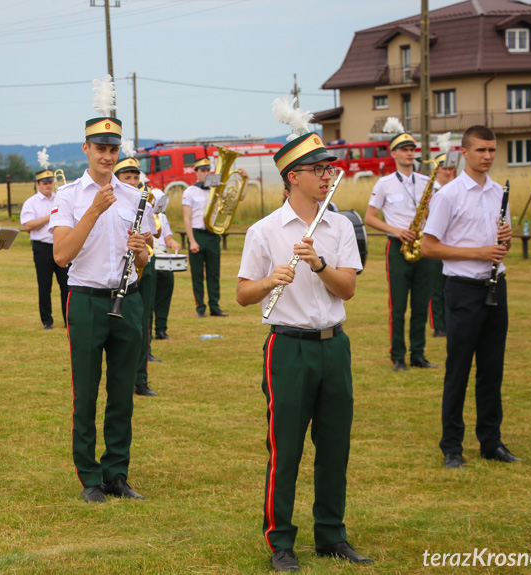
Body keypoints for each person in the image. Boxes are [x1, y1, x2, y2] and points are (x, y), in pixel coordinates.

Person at [237, 133, 371, 572]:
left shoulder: (340, 226)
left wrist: (318, 265)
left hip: (334, 345)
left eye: (328, 168)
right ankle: (281, 543)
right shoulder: (264, 231)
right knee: (287, 448)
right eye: (318, 170)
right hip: (288, 348)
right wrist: (269, 281)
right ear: (293, 177)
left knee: (335, 447)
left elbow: (347, 287)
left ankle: (332, 535)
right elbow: (242, 294)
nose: (327, 175)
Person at [50, 109, 150, 503]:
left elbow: (143, 260)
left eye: (112, 149)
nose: (107, 157)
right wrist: (94, 210)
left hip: (129, 299)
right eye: (100, 149)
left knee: (122, 392)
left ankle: (116, 473)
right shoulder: (69, 196)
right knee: (87, 392)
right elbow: (61, 254)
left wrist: (142, 253)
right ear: (86, 149)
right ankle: (89, 476)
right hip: (88, 299)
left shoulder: (135, 195)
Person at [421, 125, 521, 470]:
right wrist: (478, 253)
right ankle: (452, 446)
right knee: (459, 369)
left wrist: (504, 241)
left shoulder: (498, 192)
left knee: (492, 369)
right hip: (463, 289)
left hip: (496, 287)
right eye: (481, 150)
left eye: (492, 150)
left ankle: (491, 442)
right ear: (465, 153)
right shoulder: (449, 195)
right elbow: (428, 246)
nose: (488, 156)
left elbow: (502, 247)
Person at [364, 132, 438, 372]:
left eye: (412, 149)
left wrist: (429, 214)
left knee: (420, 304)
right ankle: (398, 356)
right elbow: (370, 218)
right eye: (404, 149)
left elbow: (441, 214)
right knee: (398, 306)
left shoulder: (428, 181)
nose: (409, 153)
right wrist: (396, 231)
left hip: (423, 247)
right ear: (393, 153)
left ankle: (418, 354)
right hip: (398, 247)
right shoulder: (384, 184)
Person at [114, 157, 159, 396]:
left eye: (135, 177)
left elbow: (151, 236)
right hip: (119, 267)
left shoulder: (145, 202)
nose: (133, 182)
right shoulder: (110, 200)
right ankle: (122, 378)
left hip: (143, 263)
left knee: (143, 322)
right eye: (127, 177)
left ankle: (141, 379)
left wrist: (145, 238)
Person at [20, 168, 69, 330]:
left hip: (61, 244)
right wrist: (51, 216)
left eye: (49, 183)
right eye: (44, 183)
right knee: (44, 285)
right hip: (42, 248)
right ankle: (47, 321)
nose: (48, 186)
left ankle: (68, 319)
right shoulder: (31, 202)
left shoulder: (61, 198)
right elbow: (28, 225)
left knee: (66, 285)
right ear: (38, 184)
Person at [182, 157, 227, 317]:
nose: (206, 173)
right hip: (197, 234)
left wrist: (245, 179)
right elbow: (187, 218)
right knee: (198, 275)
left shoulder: (216, 190)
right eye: (203, 171)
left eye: (208, 170)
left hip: (213, 235)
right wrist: (192, 240)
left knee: (214, 273)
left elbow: (238, 199)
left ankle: (215, 306)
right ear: (196, 172)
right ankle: (200, 308)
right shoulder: (190, 191)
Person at [427, 153, 457, 339]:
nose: (447, 172)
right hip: (436, 243)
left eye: (450, 168)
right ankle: (439, 325)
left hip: (453, 243)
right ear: (436, 170)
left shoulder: (457, 190)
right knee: (436, 287)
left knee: (452, 285)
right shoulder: (429, 191)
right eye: (443, 168)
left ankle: (451, 320)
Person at [153, 210, 181, 341]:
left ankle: (161, 329)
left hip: (163, 256)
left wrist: (172, 243)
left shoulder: (162, 217)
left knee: (165, 293)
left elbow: (167, 238)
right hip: (148, 255)